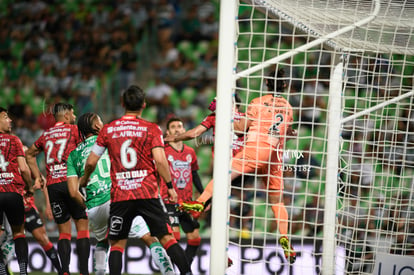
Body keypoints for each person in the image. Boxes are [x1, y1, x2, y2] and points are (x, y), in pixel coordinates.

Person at [181, 69, 297, 264]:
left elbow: (240, 128)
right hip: (275, 157)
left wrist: (228, 115)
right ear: (285, 85)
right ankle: (285, 238)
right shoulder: (288, 107)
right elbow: (287, 131)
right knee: (277, 202)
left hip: (255, 149)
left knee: (223, 176)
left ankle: (199, 203)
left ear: (266, 83)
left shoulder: (257, 102)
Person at [79, 85, 192, 275]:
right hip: (147, 193)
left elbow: (91, 162)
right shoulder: (151, 128)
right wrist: (170, 186)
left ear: (122, 103)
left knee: (117, 243)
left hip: (121, 195)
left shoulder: (109, 130)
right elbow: (161, 161)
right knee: (166, 238)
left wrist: (84, 181)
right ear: (144, 105)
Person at [67, 112, 174, 275]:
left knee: (102, 241)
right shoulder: (109, 138)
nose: (103, 123)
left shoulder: (73, 155)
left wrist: (87, 204)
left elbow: (73, 192)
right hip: (118, 199)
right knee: (149, 238)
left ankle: (99, 272)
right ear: (96, 126)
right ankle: (169, 272)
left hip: (94, 206)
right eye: (101, 121)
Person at [25, 103, 90, 275]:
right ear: (67, 115)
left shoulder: (46, 135)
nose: (75, 116)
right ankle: (84, 271)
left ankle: (65, 272)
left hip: (53, 186)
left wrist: (38, 176)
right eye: (73, 113)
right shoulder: (75, 131)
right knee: (83, 228)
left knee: (64, 234)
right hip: (72, 182)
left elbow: (29, 155)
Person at [160, 117, 204, 265]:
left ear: (184, 130)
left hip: (186, 203)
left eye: (180, 126)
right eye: (173, 127)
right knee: (175, 238)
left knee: (195, 238)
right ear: (168, 132)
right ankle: (176, 269)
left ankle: (183, 268)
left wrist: (204, 195)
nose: (177, 129)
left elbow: (195, 174)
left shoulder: (190, 152)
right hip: (169, 200)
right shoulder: (163, 152)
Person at [0, 107, 31, 275]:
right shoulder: (14, 140)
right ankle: (23, 272)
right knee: (19, 233)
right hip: (13, 192)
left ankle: (2, 271)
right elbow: (24, 169)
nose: (10, 120)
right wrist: (28, 187)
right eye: (5, 117)